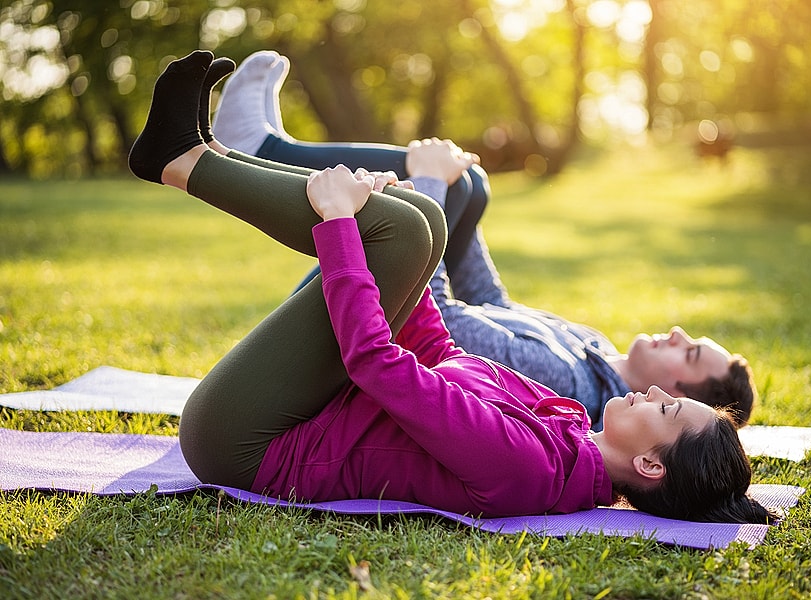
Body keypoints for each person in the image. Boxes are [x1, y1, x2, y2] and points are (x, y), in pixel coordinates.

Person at [129, 49, 774, 524]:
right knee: (423, 221)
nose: (656, 392)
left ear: (651, 468)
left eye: (666, 407)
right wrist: (400, 259)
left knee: (401, 234)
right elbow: (444, 355)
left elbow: (376, 364)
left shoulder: (527, 466)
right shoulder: (571, 423)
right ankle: (200, 153)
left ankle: (187, 159)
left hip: (246, 443)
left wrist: (342, 232)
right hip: (304, 412)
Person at [211, 51, 758, 429]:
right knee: (472, 184)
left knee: (435, 188)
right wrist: (453, 186)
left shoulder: (570, 383)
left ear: (679, 397)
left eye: (689, 352)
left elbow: (439, 322)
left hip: (368, 325)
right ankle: (263, 147)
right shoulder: (593, 348)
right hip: (392, 307)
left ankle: (257, 149)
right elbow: (491, 303)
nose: (678, 332)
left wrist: (427, 184)